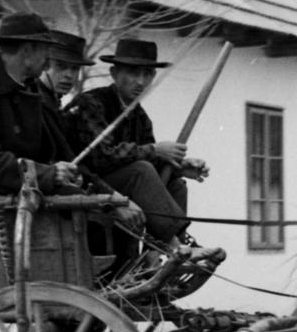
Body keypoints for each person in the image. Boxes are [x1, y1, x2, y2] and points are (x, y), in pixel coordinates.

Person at [66, 37, 214, 260]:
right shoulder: (92, 103)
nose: (140, 82)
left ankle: (155, 256)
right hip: (89, 186)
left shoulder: (139, 116)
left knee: (177, 186)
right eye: (133, 73)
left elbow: (154, 165)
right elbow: (100, 157)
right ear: (115, 73)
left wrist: (179, 167)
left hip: (124, 186)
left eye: (147, 75)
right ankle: (174, 246)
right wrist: (154, 151)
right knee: (141, 170)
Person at [0, 13, 87, 195]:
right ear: (27, 51)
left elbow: (50, 150)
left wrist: (63, 170)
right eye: (45, 51)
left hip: (26, 194)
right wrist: (48, 174)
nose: (47, 61)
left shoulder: (29, 88)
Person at [42, 30, 93, 108]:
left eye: (75, 68)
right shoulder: (32, 102)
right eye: (61, 66)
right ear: (42, 65)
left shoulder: (52, 102)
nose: (70, 75)